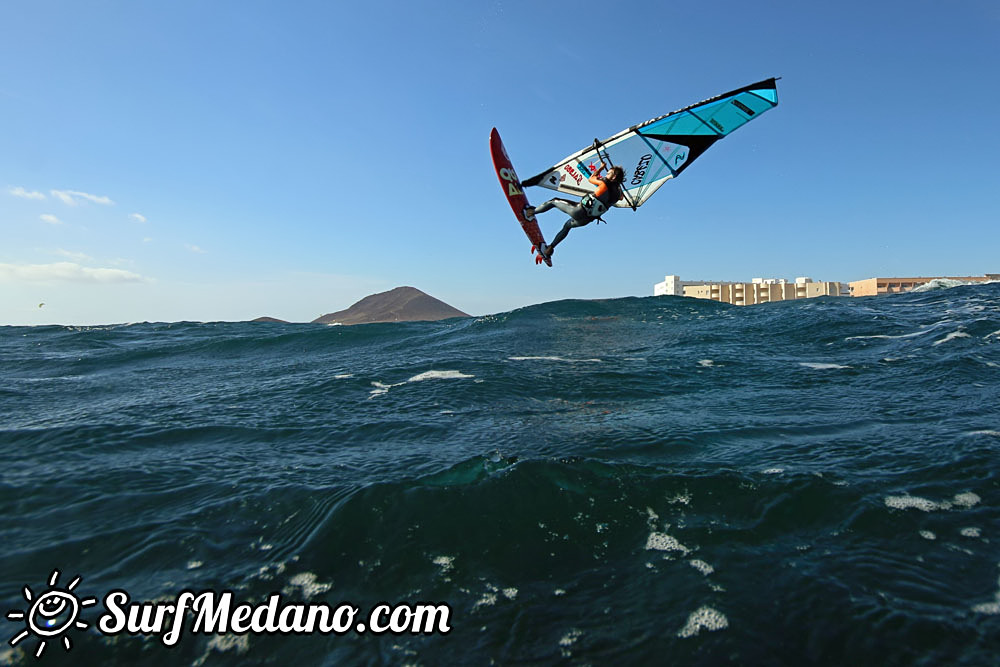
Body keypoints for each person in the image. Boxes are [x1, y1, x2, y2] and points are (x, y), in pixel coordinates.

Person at [525, 164, 625, 258]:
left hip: (578, 211)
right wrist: (619, 185)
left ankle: (530, 213)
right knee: (567, 227)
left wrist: (601, 168)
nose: (606, 174)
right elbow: (621, 197)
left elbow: (591, 179)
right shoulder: (617, 195)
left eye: (609, 173)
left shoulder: (604, 183)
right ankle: (549, 249)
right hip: (586, 220)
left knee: (553, 201)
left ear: (614, 176)